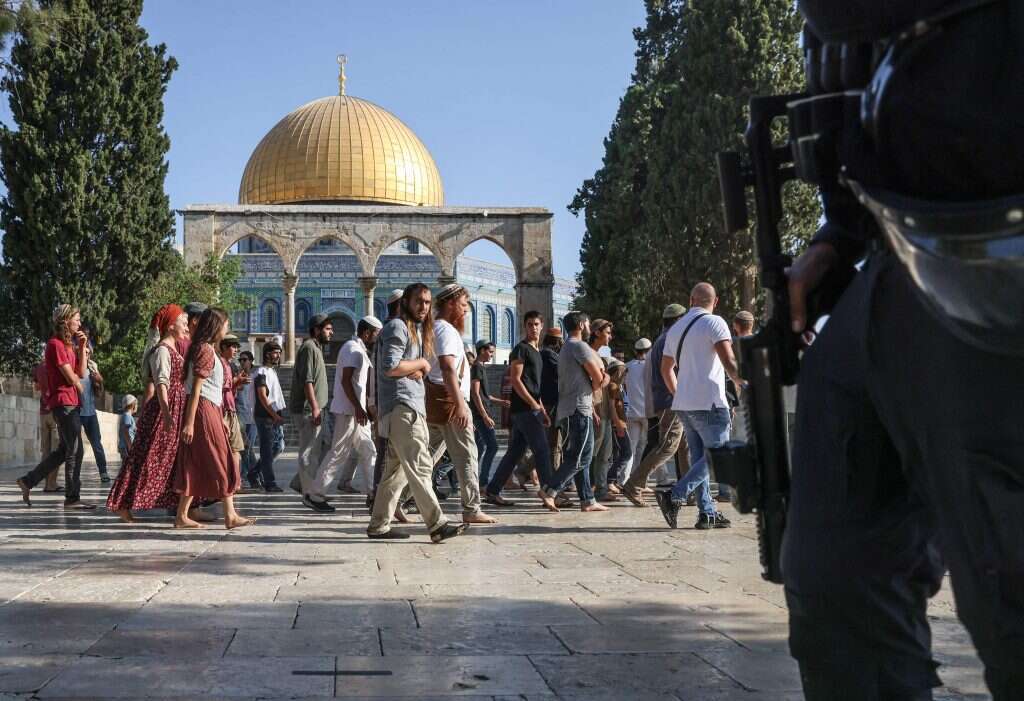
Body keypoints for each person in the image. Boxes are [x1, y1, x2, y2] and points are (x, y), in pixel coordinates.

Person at [778, 4, 1024, 698]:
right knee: (837, 581)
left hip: (1002, 250)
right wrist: (841, 232)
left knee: (1009, 591)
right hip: (906, 251)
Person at [367, 283, 467, 542]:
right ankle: (436, 524)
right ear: (406, 303)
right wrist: (421, 363)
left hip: (403, 407)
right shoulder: (398, 327)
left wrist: (417, 368)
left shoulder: (413, 331)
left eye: (426, 302)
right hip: (403, 408)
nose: (423, 307)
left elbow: (406, 368)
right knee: (421, 466)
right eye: (418, 302)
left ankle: (379, 525)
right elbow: (391, 366)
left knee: (394, 473)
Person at [655, 283, 740, 531]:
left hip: (685, 405)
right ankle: (675, 495)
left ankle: (707, 513)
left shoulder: (675, 329)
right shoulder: (715, 322)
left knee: (700, 461)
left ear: (691, 299)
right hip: (710, 401)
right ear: (716, 301)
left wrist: (679, 392)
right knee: (718, 457)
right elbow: (728, 360)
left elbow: (665, 369)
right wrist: (743, 381)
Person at [106, 305, 189, 522]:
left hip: (172, 410)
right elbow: (162, 385)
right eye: (183, 322)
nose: (186, 326)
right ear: (171, 326)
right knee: (145, 459)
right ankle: (122, 504)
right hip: (164, 413)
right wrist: (168, 415)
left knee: (163, 460)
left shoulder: (172, 349)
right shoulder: (162, 350)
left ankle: (177, 507)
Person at [424, 284, 495, 525]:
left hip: (438, 400)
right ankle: (471, 508)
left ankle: (399, 501)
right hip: (450, 402)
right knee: (467, 454)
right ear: (451, 303)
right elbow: (447, 368)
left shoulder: (436, 328)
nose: (466, 311)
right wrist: (461, 405)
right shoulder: (446, 331)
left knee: (426, 458)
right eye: (464, 305)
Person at [175, 308, 252, 530]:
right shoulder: (205, 351)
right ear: (216, 326)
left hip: (209, 409)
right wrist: (189, 423)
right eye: (226, 324)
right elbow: (196, 389)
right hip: (203, 410)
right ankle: (230, 515)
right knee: (221, 459)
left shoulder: (204, 349)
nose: (227, 329)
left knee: (197, 461)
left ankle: (183, 515)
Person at [17, 304, 92, 508]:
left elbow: (82, 374)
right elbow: (70, 378)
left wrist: (83, 348)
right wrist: (77, 383)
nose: (79, 322)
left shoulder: (69, 346)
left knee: (63, 450)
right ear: (65, 321)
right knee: (75, 450)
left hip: (71, 401)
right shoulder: (54, 344)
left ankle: (28, 481)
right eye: (76, 318)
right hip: (63, 402)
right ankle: (72, 498)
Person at [483, 311, 558, 511]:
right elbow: (516, 380)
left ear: (542, 326)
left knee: (515, 452)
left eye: (536, 324)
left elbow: (535, 385)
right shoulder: (520, 350)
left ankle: (493, 490)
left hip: (532, 408)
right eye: (529, 324)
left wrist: (541, 408)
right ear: (524, 327)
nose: (533, 328)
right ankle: (548, 491)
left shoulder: (538, 352)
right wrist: (533, 404)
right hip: (524, 409)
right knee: (542, 450)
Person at [538, 311, 608, 513]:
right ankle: (550, 489)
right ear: (581, 324)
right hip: (579, 407)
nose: (589, 327)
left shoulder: (567, 348)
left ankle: (587, 499)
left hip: (570, 408)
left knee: (578, 455)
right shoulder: (579, 346)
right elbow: (597, 378)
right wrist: (605, 380)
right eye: (587, 323)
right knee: (581, 457)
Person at [620, 305, 687, 507]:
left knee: (683, 446)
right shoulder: (670, 340)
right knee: (668, 445)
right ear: (678, 320)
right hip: (671, 401)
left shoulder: (661, 339)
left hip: (665, 400)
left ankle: (689, 489)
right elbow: (671, 371)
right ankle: (634, 484)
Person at [315, 316, 382, 511]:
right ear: (367, 332)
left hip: (355, 411)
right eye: (376, 334)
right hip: (349, 411)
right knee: (338, 453)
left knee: (369, 450)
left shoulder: (358, 349)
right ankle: (315, 494)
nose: (376, 339)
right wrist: (358, 408)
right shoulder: (353, 349)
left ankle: (373, 492)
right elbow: (346, 381)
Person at [289, 314, 333, 510]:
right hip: (308, 409)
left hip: (316, 408)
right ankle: (309, 494)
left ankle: (303, 483)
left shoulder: (315, 348)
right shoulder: (308, 348)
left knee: (325, 447)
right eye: (327, 329)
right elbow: (308, 381)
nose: (331, 332)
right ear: (316, 329)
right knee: (309, 451)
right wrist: (314, 407)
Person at [369, 289, 404, 507]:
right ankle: (380, 501)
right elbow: (390, 367)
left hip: (383, 401)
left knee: (387, 454)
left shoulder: (384, 331)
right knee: (388, 453)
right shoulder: (395, 329)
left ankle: (381, 499)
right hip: (390, 402)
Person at [469, 340, 507, 488]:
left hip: (482, 413)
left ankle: (473, 479)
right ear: (482, 350)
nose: (492, 354)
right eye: (490, 351)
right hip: (480, 415)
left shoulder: (481, 368)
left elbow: (486, 396)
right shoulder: (477, 368)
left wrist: (501, 402)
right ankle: (483, 482)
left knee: (479, 448)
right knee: (493, 447)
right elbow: (475, 393)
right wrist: (484, 416)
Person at [587, 319, 617, 501]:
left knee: (605, 454)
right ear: (597, 332)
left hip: (603, 408)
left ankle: (601, 489)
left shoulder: (598, 355)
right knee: (591, 454)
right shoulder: (587, 354)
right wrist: (591, 409)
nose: (610, 337)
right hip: (594, 410)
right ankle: (587, 489)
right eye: (607, 332)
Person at [252, 341, 285, 492]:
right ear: (267, 354)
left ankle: (253, 472)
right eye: (275, 352)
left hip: (274, 415)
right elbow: (262, 396)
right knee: (266, 450)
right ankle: (269, 483)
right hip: (265, 416)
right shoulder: (261, 373)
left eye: (279, 352)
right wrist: (273, 415)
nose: (278, 355)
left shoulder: (272, 372)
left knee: (279, 446)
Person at [77, 334, 110, 483]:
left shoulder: (93, 366)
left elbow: (99, 392)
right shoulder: (74, 366)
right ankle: (74, 476)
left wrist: (98, 383)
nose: (87, 354)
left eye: (89, 352)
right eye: (84, 351)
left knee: (97, 444)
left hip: (90, 413)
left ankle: (103, 472)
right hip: (76, 412)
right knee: (75, 448)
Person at [622, 338, 651, 488]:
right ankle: (642, 480)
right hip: (648, 413)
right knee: (649, 447)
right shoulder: (651, 366)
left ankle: (625, 480)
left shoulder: (627, 367)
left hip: (632, 412)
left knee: (631, 448)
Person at [218, 334, 246, 479]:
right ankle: (234, 481)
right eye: (233, 346)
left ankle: (235, 480)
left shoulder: (229, 365)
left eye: (237, 347)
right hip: (223, 411)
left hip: (230, 408)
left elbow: (229, 389)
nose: (236, 350)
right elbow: (219, 386)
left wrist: (237, 383)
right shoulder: (220, 364)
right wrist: (235, 381)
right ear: (223, 347)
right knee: (232, 448)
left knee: (235, 448)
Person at [32, 359, 61, 492]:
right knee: (56, 451)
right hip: (54, 411)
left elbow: (36, 387)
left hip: (43, 411)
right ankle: (51, 484)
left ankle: (46, 484)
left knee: (46, 451)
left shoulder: (38, 367)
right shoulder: (55, 365)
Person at [539, 328, 564, 483]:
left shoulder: (543, 354)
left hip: (547, 402)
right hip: (552, 403)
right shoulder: (550, 356)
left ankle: (523, 472)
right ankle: (555, 480)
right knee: (555, 442)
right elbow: (562, 374)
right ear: (556, 342)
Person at [605, 357, 631, 491]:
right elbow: (612, 407)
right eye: (624, 371)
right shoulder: (613, 386)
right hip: (618, 425)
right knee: (627, 453)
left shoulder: (618, 386)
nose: (626, 374)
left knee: (618, 453)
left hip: (620, 424)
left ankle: (612, 480)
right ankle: (610, 479)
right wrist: (618, 424)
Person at [235, 350, 258, 488]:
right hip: (241, 416)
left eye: (245, 359)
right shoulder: (237, 376)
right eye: (240, 360)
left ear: (251, 361)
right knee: (245, 448)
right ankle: (246, 477)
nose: (242, 362)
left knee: (249, 449)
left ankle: (253, 476)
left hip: (253, 417)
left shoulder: (256, 377)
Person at [117, 394, 137, 465]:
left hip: (125, 446)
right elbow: (126, 432)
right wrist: (130, 446)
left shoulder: (127, 416)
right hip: (126, 447)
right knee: (127, 466)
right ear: (133, 405)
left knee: (126, 466)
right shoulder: (127, 416)